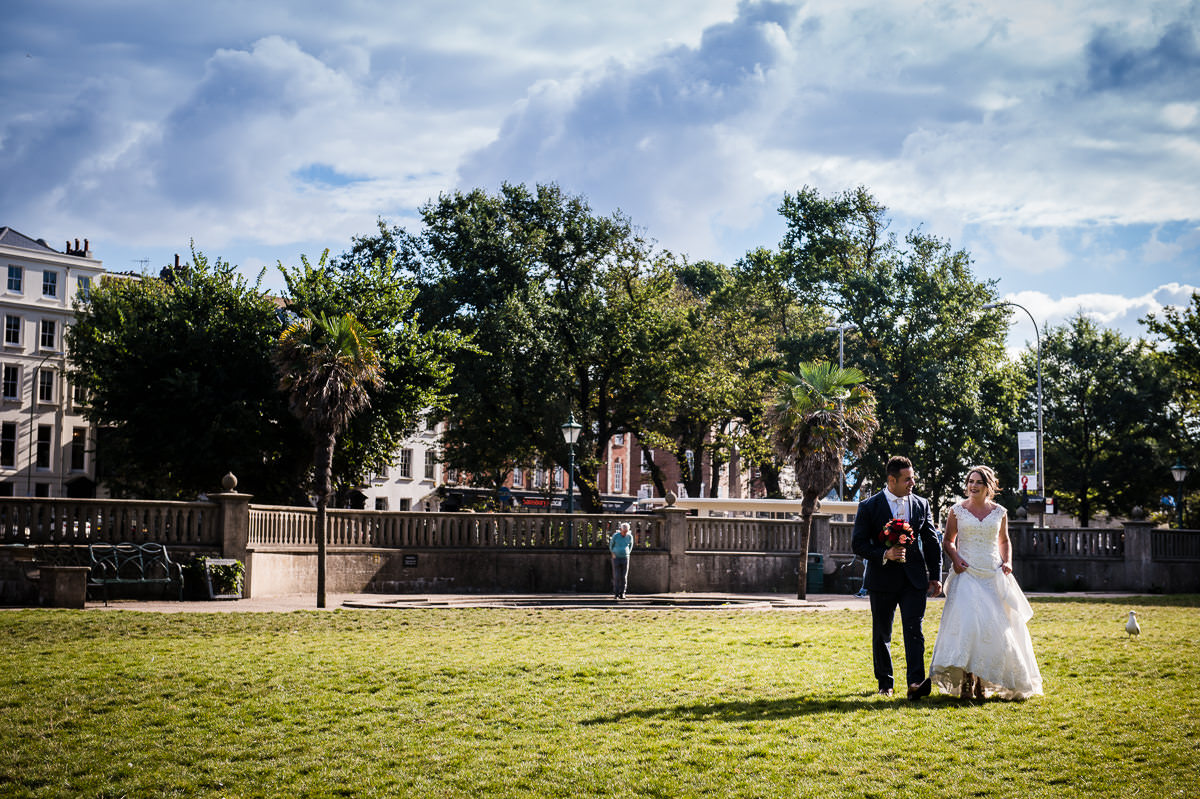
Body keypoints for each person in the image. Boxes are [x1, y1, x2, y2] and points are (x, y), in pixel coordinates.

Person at [929, 465, 1043, 700]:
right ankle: (968, 678)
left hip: (992, 573)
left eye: (978, 482)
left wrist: (1007, 561)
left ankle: (983, 680)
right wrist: (956, 558)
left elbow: (1004, 541)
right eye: (970, 481)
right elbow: (948, 541)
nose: (972, 485)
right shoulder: (956, 510)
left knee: (993, 628)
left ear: (988, 485)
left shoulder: (999, 512)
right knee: (970, 624)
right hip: (967, 572)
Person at [851, 455, 943, 698]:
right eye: (908, 479)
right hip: (881, 580)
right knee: (882, 633)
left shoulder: (921, 504)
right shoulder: (869, 506)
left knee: (915, 631)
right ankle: (885, 684)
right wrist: (885, 553)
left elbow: (932, 542)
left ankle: (915, 684)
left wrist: (935, 575)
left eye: (913, 478)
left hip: (914, 580)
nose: (913, 483)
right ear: (892, 480)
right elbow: (858, 544)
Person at [609, 522, 633, 599]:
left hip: (625, 557)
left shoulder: (629, 536)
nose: (625, 533)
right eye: (623, 531)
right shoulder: (616, 536)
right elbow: (611, 545)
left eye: (626, 531)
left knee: (624, 576)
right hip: (616, 557)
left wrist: (628, 552)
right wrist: (613, 553)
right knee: (616, 575)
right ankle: (616, 593)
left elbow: (631, 545)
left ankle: (622, 592)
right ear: (621, 530)